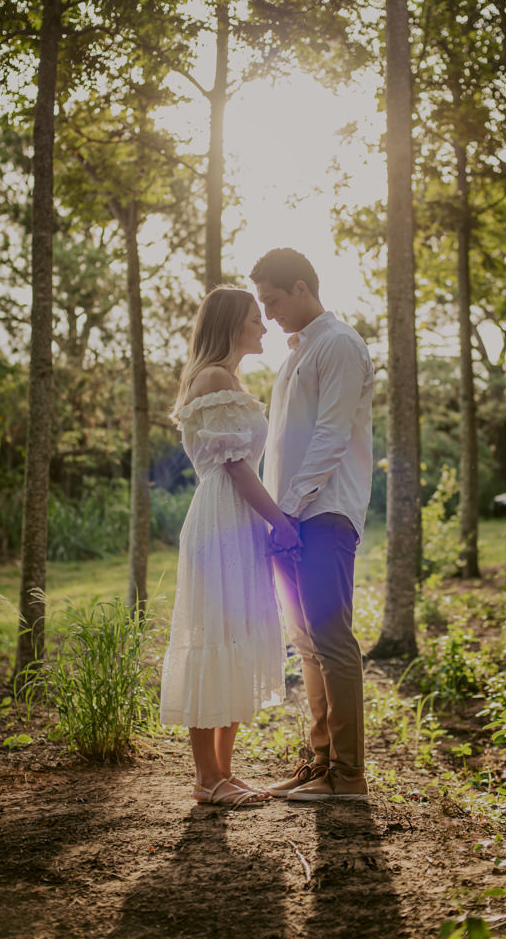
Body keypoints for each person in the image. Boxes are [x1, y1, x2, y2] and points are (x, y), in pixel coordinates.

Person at [160, 285, 301, 808]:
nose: (263, 328)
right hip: (223, 517)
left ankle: (223, 772)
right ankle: (206, 779)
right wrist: (280, 523)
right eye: (253, 319)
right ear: (230, 325)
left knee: (236, 634)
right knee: (214, 635)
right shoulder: (214, 378)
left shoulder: (226, 380)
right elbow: (237, 466)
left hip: (237, 521)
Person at [250, 248, 373, 802]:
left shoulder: (340, 345)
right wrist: (276, 516)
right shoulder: (297, 354)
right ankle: (321, 764)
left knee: (331, 640)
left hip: (321, 515)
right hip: (290, 518)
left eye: (272, 301)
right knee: (306, 643)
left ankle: (349, 777)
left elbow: (331, 436)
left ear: (301, 288)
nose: (269, 314)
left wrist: (292, 511)